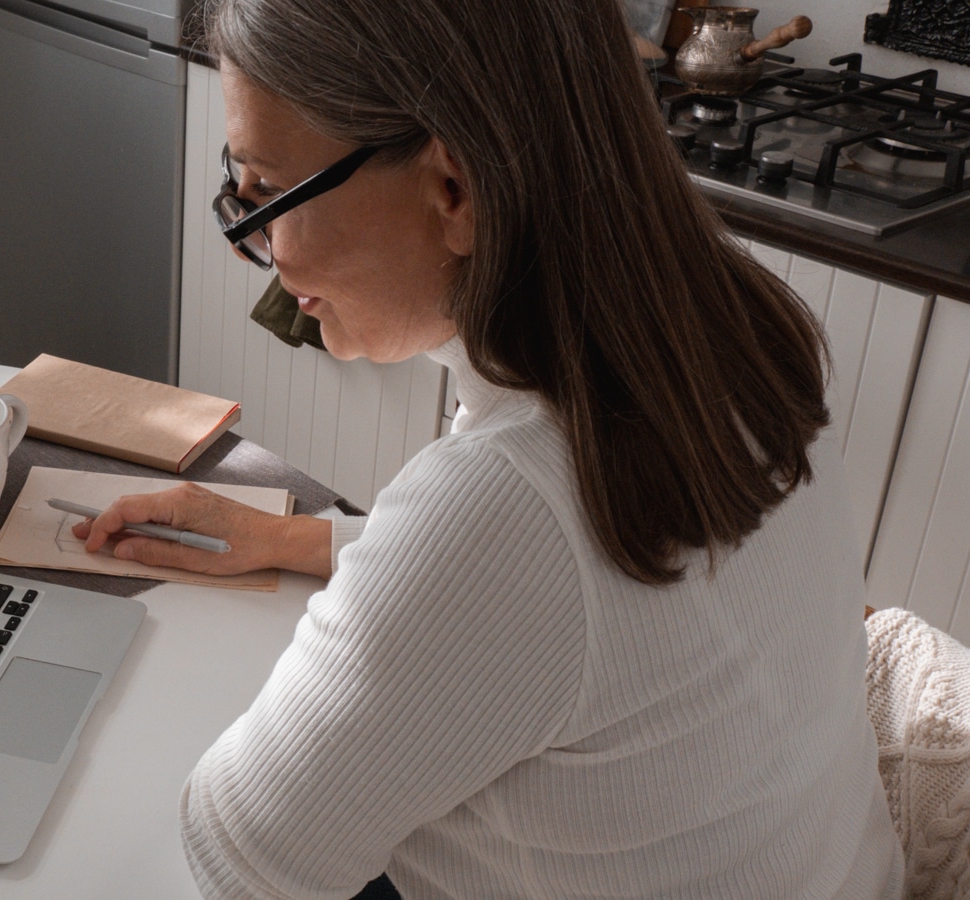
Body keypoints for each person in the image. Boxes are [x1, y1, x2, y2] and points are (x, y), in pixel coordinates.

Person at [72, 1, 905, 895]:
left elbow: (244, 859)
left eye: (269, 196)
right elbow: (609, 602)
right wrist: (302, 541)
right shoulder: (721, 329)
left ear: (453, 190)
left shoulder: (504, 508)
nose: (267, 251)